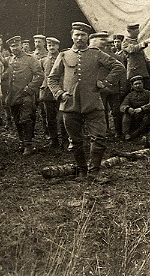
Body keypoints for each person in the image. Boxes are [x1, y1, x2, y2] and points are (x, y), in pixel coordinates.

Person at [47, 22, 125, 182]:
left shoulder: (96, 53)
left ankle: (94, 173)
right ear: (72, 36)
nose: (80, 38)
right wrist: (60, 94)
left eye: (83, 35)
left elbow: (118, 67)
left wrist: (105, 83)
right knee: (75, 141)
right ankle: (82, 171)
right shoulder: (64, 55)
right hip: (70, 104)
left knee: (99, 137)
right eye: (77, 34)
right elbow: (52, 79)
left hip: (93, 103)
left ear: (87, 37)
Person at [2, 36, 44, 155]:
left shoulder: (31, 59)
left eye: (16, 45)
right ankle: (22, 141)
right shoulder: (8, 60)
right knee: (17, 120)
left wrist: (29, 88)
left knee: (26, 118)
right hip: (13, 95)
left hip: (26, 94)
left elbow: (39, 75)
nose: (14, 48)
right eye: (12, 46)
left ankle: (28, 145)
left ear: (21, 45)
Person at [90, 31, 127, 139]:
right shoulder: (95, 56)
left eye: (110, 45)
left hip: (113, 88)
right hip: (100, 88)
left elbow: (122, 74)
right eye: (107, 45)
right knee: (102, 111)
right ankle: (105, 131)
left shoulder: (117, 58)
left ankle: (118, 132)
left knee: (116, 111)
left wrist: (122, 88)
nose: (109, 47)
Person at [39, 37, 66, 149]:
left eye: (54, 45)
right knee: (50, 118)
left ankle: (65, 140)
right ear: (46, 47)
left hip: (61, 91)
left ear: (58, 47)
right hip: (48, 93)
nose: (51, 47)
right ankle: (53, 139)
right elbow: (41, 76)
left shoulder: (64, 58)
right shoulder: (43, 61)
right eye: (49, 45)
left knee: (62, 118)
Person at [120, 76, 150, 141]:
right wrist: (128, 108)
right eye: (135, 84)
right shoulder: (130, 95)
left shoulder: (149, 93)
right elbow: (122, 106)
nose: (138, 86)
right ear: (132, 86)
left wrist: (142, 108)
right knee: (126, 115)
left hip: (146, 114)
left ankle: (136, 134)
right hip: (135, 115)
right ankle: (126, 134)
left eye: (139, 83)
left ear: (143, 84)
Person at [122, 23, 150, 92]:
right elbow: (132, 49)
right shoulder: (125, 42)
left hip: (144, 72)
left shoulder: (136, 41)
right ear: (129, 31)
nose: (138, 32)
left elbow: (144, 57)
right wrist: (145, 42)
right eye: (136, 30)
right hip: (134, 72)